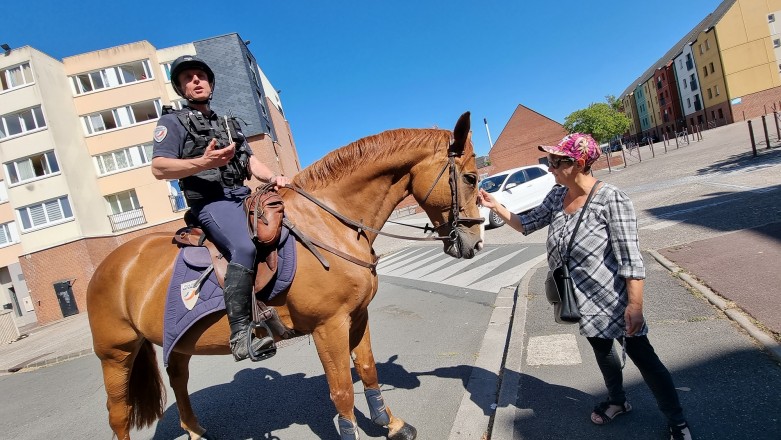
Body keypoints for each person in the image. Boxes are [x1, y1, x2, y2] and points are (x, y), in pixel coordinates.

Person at [478, 133, 692, 440]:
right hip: (582, 301)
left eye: (554, 162)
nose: (548, 167)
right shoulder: (556, 195)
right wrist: (495, 205)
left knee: (645, 360)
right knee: (603, 352)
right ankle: (618, 401)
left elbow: (630, 258)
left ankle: (677, 421)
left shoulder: (610, 199)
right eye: (548, 161)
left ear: (577, 164)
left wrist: (635, 305)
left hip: (615, 299)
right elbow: (526, 225)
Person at [151, 55, 290, 361]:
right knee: (244, 247)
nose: (196, 80)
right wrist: (202, 162)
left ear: (211, 83)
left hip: (243, 195)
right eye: (188, 78)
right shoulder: (172, 122)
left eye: (201, 75)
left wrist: (274, 176)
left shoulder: (230, 123)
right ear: (180, 87)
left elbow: (250, 161)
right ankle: (240, 334)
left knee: (288, 226)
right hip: (211, 202)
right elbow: (159, 167)